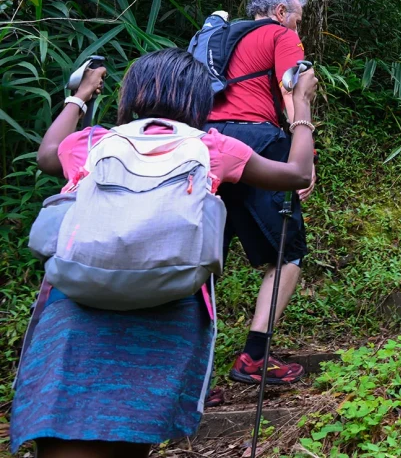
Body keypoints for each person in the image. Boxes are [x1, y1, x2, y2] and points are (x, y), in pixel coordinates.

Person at [11, 48, 316, 458]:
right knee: (134, 429)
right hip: (169, 304)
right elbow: (295, 174)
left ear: (131, 94)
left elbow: (47, 155)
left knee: (63, 426)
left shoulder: (94, 141)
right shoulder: (213, 147)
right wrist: (300, 108)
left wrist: (80, 95)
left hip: (77, 303)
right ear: (198, 100)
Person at [205, 0, 315, 386]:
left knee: (203, 257)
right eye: (299, 20)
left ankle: (190, 376)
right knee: (289, 252)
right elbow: (291, 89)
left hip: (203, 145)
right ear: (282, 11)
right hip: (255, 142)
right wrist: (304, 155)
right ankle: (253, 357)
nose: (298, 30)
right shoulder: (280, 34)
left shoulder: (216, 38)